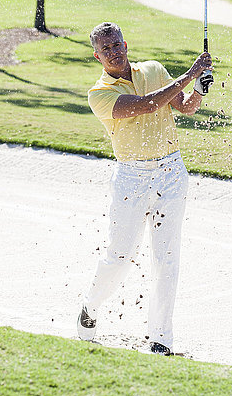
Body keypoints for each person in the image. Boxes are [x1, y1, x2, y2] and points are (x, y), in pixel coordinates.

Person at [78, 22, 213, 355]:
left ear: (126, 44)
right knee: (120, 257)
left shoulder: (153, 69)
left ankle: (160, 339)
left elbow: (182, 106)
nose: (112, 52)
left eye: (116, 45)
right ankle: (91, 306)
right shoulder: (99, 93)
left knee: (166, 257)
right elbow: (148, 105)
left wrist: (199, 90)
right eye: (105, 49)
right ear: (97, 55)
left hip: (171, 171)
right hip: (132, 178)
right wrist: (190, 72)